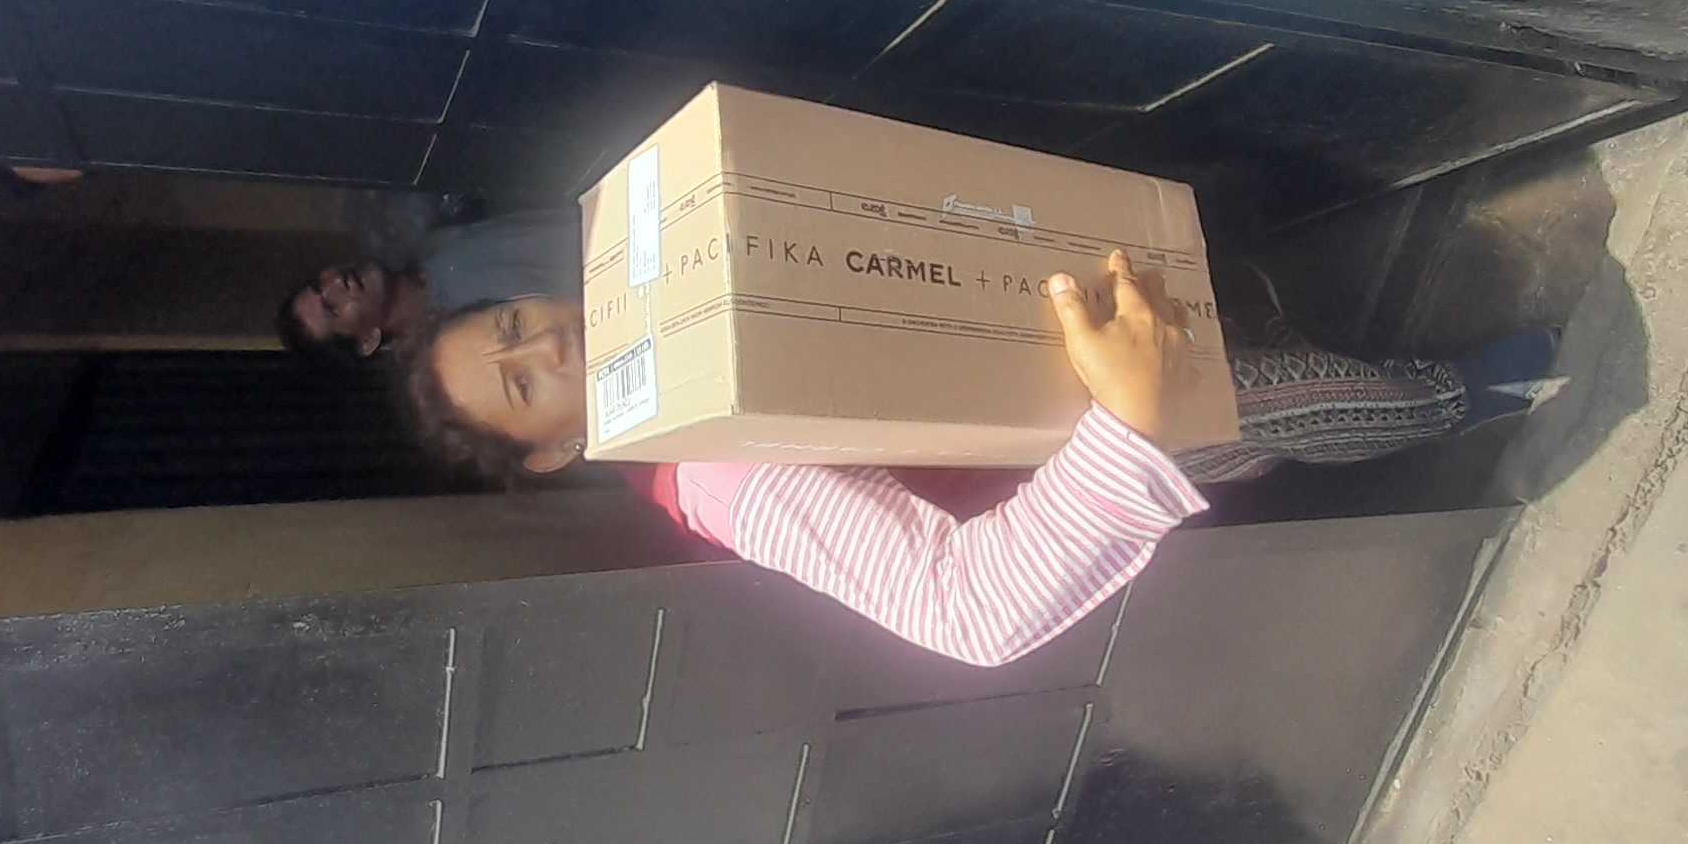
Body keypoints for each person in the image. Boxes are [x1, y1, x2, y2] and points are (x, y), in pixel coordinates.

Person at [398, 252, 1559, 667]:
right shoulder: (716, 473)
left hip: (1083, 331)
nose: (547, 345)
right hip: (1101, 430)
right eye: (522, 383)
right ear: (551, 452)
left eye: (515, 326)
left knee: (1248, 374)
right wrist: (1127, 423)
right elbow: (965, 610)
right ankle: (1455, 399)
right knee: (1264, 406)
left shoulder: (691, 282)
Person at [278, 208, 581, 365]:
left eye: (319, 283)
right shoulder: (464, 335)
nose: (335, 283)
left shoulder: (432, 244)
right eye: (332, 308)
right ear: (367, 340)